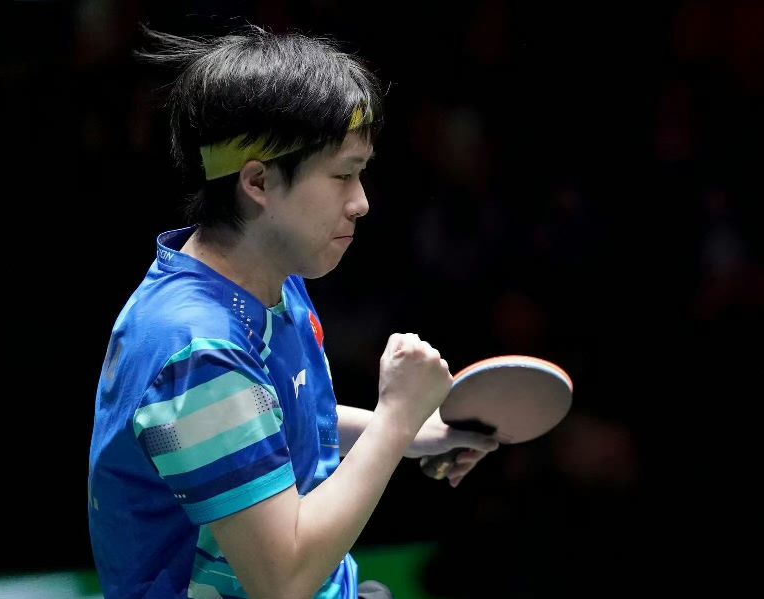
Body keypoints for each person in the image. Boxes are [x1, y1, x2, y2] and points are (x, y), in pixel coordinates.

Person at [88, 26, 500, 599]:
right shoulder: (199, 351)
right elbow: (283, 581)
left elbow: (275, 418)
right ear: (258, 182)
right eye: (342, 175)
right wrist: (395, 418)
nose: (361, 202)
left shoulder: (268, 278)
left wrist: (415, 432)